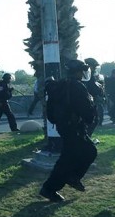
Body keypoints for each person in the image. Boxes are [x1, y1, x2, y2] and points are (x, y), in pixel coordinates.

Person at [39, 59, 98, 202]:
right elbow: (86, 110)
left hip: (64, 126)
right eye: (82, 70)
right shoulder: (77, 86)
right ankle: (50, 188)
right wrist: (92, 113)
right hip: (74, 127)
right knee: (71, 157)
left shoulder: (61, 84)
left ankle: (71, 178)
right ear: (78, 71)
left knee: (80, 153)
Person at [83, 58, 105, 138]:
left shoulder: (90, 75)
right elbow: (91, 87)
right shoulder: (86, 76)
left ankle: (86, 138)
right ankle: (86, 138)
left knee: (94, 120)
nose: (95, 68)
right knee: (92, 120)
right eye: (94, 66)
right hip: (88, 100)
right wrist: (98, 89)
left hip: (91, 99)